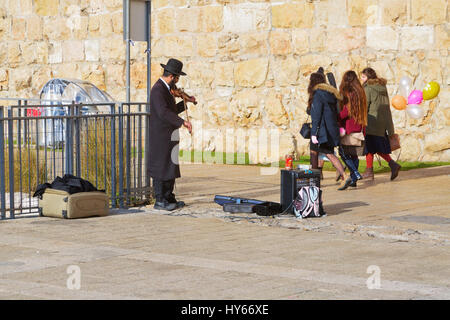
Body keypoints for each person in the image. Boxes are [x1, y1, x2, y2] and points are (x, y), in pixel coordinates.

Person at [148, 58, 196, 211]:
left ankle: (169, 196)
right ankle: (160, 199)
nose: (177, 82)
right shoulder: (158, 90)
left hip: (169, 134)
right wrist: (182, 122)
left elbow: (172, 110)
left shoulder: (167, 89)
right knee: (161, 166)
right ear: (172, 76)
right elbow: (163, 112)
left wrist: (186, 102)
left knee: (170, 165)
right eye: (177, 78)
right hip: (160, 135)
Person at [360, 67, 401, 181]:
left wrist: (360, 119)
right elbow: (386, 107)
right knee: (373, 147)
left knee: (371, 147)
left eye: (363, 77)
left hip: (371, 121)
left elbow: (365, 106)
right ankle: (371, 170)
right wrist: (390, 128)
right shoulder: (382, 87)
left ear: (368, 77)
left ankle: (391, 164)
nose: (361, 79)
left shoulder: (367, 88)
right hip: (382, 122)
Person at [307, 71, 346, 184]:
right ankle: (343, 174)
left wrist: (314, 133)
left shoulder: (318, 94)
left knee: (320, 153)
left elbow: (317, 115)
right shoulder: (329, 93)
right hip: (330, 129)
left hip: (321, 130)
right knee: (320, 151)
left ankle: (315, 179)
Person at [337, 70, 367, 190]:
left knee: (343, 152)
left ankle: (355, 173)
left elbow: (346, 112)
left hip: (348, 127)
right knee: (354, 155)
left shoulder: (348, 93)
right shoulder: (361, 93)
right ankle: (354, 180)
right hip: (359, 126)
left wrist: (336, 117)